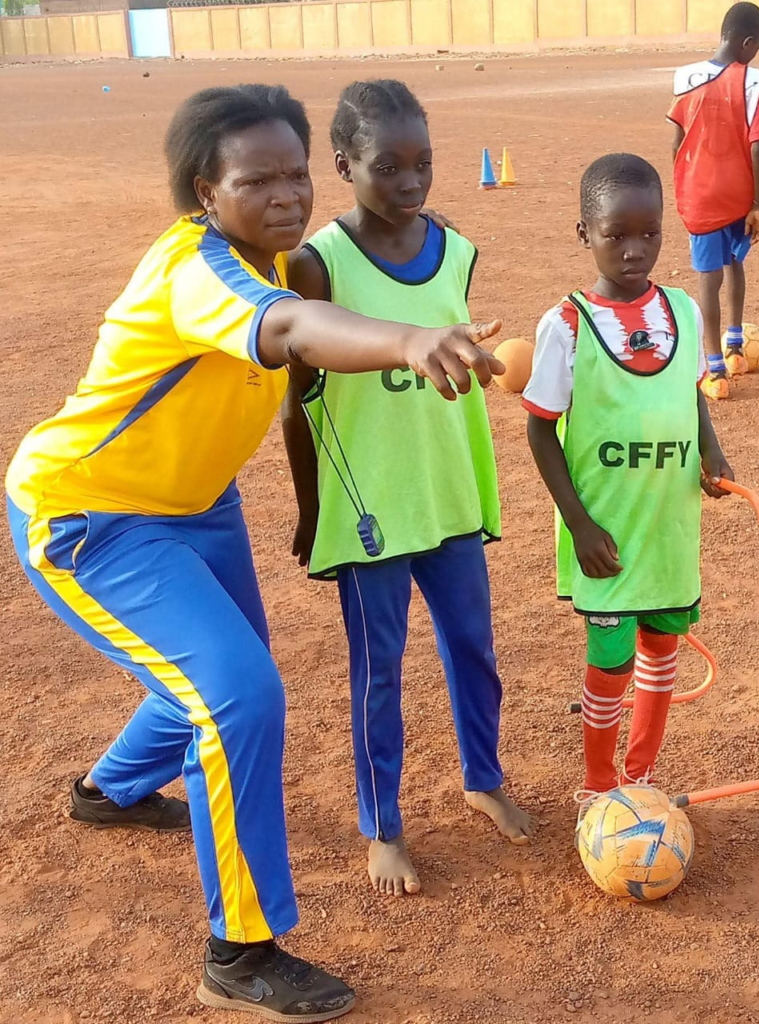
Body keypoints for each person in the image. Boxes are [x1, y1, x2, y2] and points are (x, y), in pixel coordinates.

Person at [5, 84, 506, 1022]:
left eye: (295, 172)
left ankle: (111, 791)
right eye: (255, 179)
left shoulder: (270, 262)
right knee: (236, 694)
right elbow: (287, 330)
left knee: (216, 680)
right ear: (205, 191)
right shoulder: (198, 271)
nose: (286, 195)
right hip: (89, 515)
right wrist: (406, 340)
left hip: (197, 506)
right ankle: (239, 953)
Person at [282, 80, 533, 900]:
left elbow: (450, 348)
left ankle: (482, 777)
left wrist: (479, 360)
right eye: (386, 166)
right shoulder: (317, 263)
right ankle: (382, 826)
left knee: (474, 648)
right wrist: (310, 505)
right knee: (377, 671)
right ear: (343, 164)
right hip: (368, 509)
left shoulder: (455, 248)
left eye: (422, 164)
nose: (410, 182)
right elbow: (299, 399)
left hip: (447, 488)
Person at [523, 154, 734, 807]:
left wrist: (711, 453)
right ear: (584, 233)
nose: (634, 249)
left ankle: (639, 780)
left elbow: (690, 394)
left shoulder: (681, 310)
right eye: (616, 235)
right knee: (611, 659)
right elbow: (539, 430)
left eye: (650, 233)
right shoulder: (566, 325)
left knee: (660, 649)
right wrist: (578, 523)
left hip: (669, 525)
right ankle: (595, 785)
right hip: (607, 533)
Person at [666, 1, 759, 401]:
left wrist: (684, 187)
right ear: (748, 43)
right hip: (738, 193)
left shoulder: (686, 77)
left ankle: (713, 370)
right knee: (735, 263)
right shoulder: (753, 80)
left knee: (708, 280)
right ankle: (734, 350)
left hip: (699, 194)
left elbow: (676, 140)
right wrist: (758, 203)